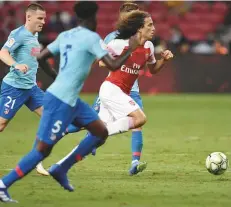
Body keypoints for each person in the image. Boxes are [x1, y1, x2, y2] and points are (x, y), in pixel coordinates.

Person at [0, 1, 141, 203]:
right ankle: (4, 184)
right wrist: (131, 48)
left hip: (70, 99)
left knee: (100, 131)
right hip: (60, 101)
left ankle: (60, 168)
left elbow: (41, 57)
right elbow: (113, 64)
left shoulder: (65, 35)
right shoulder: (91, 38)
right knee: (42, 150)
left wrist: (55, 76)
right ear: (93, 18)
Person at [49, 10, 173, 192]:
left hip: (121, 92)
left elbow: (153, 69)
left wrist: (164, 60)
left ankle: (60, 166)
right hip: (110, 89)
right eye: (149, 25)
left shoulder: (148, 47)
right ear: (139, 28)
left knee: (97, 140)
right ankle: (100, 131)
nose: (153, 28)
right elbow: (99, 59)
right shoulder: (118, 43)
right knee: (140, 118)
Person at [65, 1, 149, 175]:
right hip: (115, 88)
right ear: (123, 18)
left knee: (138, 123)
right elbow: (102, 62)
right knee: (93, 123)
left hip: (132, 89)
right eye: (132, 16)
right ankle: (64, 130)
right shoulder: (113, 38)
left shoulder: (144, 39)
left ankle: (134, 162)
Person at [0, 3, 56, 177]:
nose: (43, 21)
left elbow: (37, 59)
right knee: (1, 125)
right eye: (40, 18)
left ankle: (36, 161)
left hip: (31, 88)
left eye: (44, 18)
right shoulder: (18, 34)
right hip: (14, 88)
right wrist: (16, 65)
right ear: (28, 17)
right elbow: (3, 53)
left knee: (50, 118)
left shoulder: (35, 35)